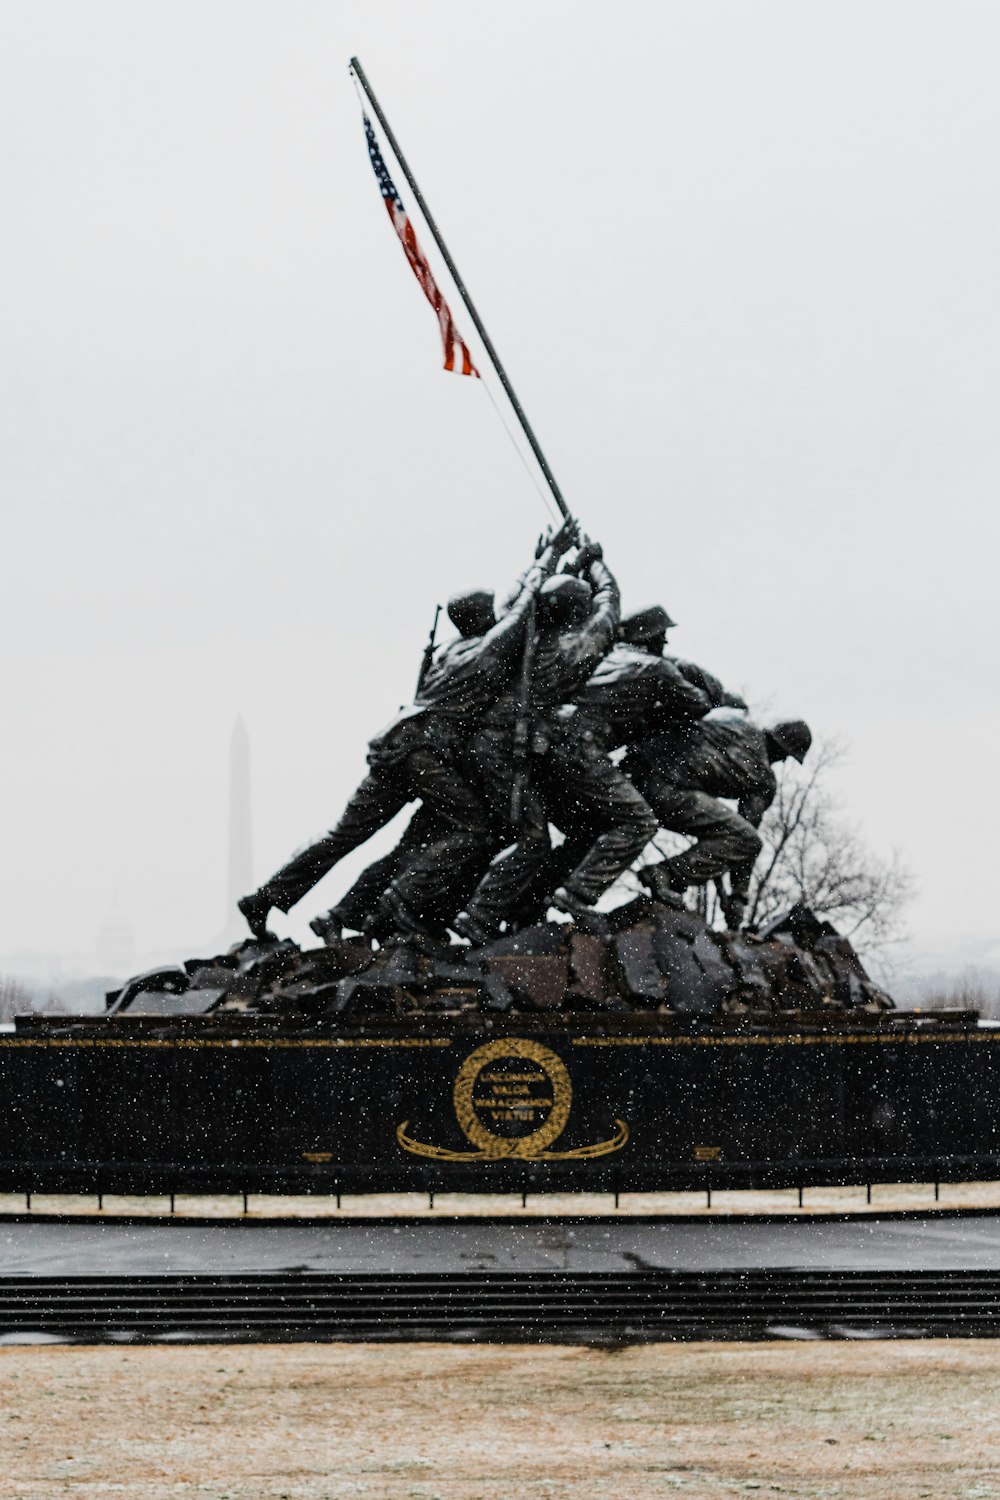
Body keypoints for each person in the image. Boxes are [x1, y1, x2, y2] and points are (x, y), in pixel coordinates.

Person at [238, 523, 577, 942]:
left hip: (396, 745)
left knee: (344, 835)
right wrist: (551, 559)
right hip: (425, 752)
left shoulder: (450, 651)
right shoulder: (485, 652)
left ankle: (267, 897)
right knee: (473, 830)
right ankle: (397, 905)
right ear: (482, 616)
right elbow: (522, 611)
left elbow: (515, 607)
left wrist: (541, 561)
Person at [453, 543, 658, 940]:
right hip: (506, 748)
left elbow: (520, 599)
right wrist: (597, 564)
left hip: (492, 744)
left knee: (547, 833)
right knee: (535, 838)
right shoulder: (575, 646)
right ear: (577, 612)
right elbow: (610, 604)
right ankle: (480, 915)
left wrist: (560, 563)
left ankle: (512, 911)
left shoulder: (524, 639)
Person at [624, 713, 812, 929]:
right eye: (787, 755)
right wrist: (739, 897)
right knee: (748, 841)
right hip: (667, 788)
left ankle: (671, 881)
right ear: (782, 749)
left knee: (728, 831)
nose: (784, 760)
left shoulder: (738, 725)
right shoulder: (763, 778)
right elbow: (745, 840)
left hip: (636, 772)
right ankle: (667, 874)